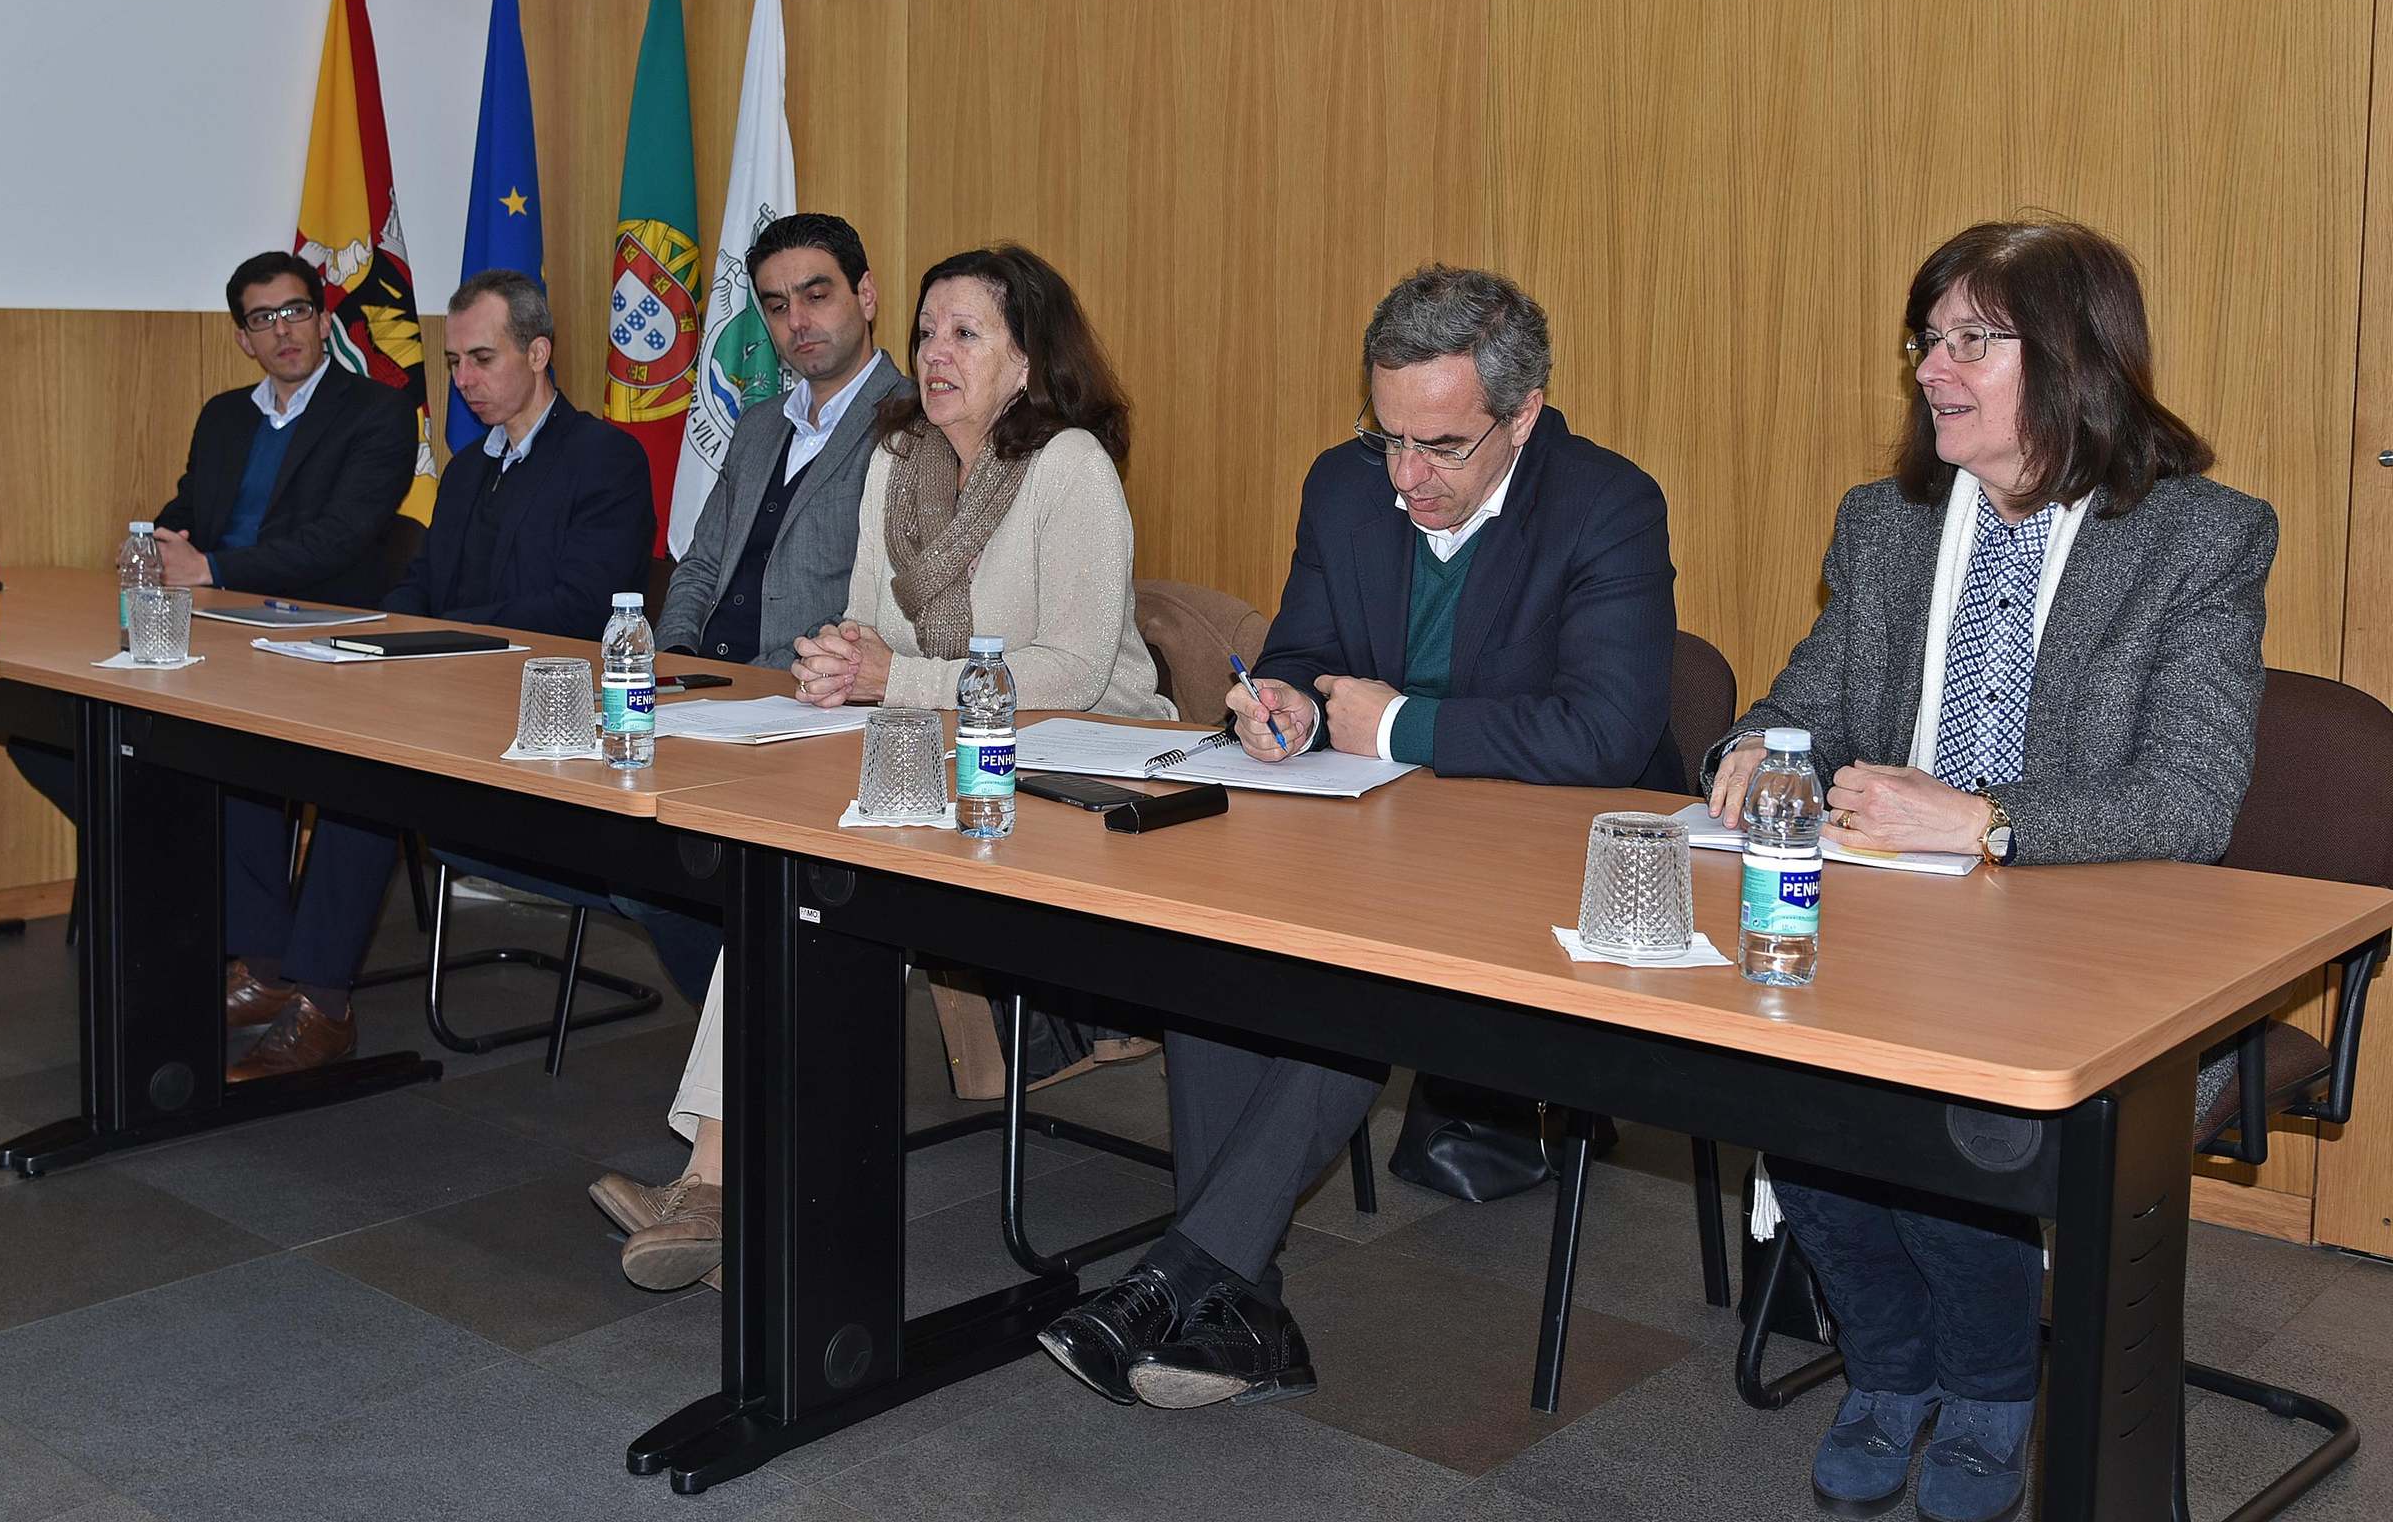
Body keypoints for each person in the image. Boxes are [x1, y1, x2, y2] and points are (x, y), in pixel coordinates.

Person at [1701, 218, 2274, 1522]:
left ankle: (1991, 1391)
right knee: (1782, 1073)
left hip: (2096, 953)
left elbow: (2191, 798)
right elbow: (1800, 712)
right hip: (1884, 924)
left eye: (1972, 339)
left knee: (1954, 1109)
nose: (1931, 368)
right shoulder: (1886, 525)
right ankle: (1889, 1368)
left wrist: (1984, 821)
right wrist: (1750, 754)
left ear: (2072, 359)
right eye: (1927, 339)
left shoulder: (2198, 538)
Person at [1036, 263, 1680, 1412]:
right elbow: (1301, 652)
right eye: (1388, 437)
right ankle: (1236, 1304)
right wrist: (1278, 702)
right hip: (1376, 834)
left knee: (1349, 984)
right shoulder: (1344, 486)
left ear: (1524, 416)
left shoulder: (1606, 504)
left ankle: (1183, 1275)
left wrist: (1399, 724)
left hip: (1551, 858)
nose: (1407, 476)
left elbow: (1606, 731)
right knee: (1216, 948)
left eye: (1442, 446)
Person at [587, 243, 1173, 1291]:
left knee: (827, 880)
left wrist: (891, 677)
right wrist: (835, 659)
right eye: (926, 331)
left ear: (1027, 359)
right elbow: (863, 618)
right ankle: (718, 1182)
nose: (935, 353)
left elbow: (1073, 672)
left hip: (1083, 766)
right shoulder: (898, 459)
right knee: (788, 867)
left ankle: (729, 1189)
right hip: (940, 751)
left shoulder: (1068, 465)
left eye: (966, 334)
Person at [220, 269, 656, 1081]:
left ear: (539, 353)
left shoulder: (603, 459)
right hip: (446, 693)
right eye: (454, 363)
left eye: (481, 359)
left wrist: (441, 641)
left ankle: (324, 1007)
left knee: (368, 773)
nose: (463, 380)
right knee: (268, 740)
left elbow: (577, 608)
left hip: (542, 712)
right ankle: (272, 965)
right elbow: (420, 586)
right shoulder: (465, 470)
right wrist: (380, 638)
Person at [473, 213, 909, 1005]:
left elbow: (902, 599)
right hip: (709, 694)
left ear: (867, 296)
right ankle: (756, 1032)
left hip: (811, 708)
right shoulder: (758, 425)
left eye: (817, 295)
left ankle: (768, 1035)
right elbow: (701, 564)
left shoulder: (913, 423)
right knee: (590, 822)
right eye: (775, 305)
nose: (797, 321)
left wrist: (775, 688)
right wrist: (674, 662)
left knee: (656, 874)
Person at [4, 250, 413, 821]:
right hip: (212, 624)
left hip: (311, 634)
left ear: (324, 322)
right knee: (43, 730)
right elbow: (189, 506)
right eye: (263, 318)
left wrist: (210, 569)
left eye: (295, 311)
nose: (283, 330)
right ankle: (157, 847)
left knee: (218, 765)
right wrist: (154, 545)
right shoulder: (224, 415)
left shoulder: (379, 411)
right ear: (244, 339)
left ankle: (178, 847)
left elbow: (340, 539)